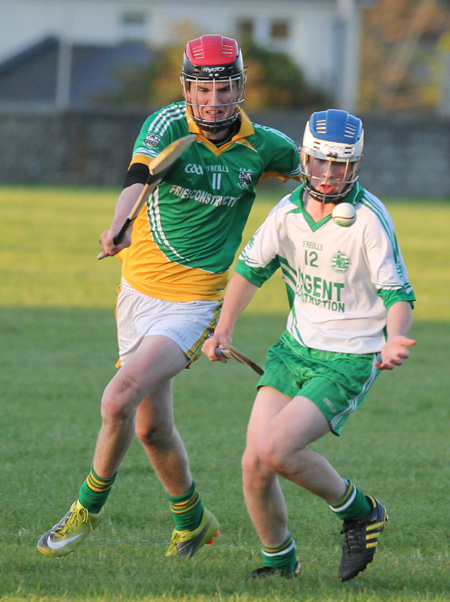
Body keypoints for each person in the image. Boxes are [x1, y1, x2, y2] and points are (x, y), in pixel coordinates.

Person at [37, 34, 301, 559]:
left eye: (225, 88)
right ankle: (194, 520)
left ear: (240, 88)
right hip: (136, 291)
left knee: (117, 397)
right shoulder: (166, 124)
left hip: (196, 303)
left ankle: (85, 510)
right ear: (186, 87)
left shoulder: (266, 146)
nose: (214, 99)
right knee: (152, 428)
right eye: (203, 88)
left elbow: (312, 188)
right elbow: (138, 176)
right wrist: (119, 224)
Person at [203, 109, 416, 581]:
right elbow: (250, 270)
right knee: (254, 462)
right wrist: (224, 329)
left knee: (277, 449)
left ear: (355, 166)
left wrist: (396, 336)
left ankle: (360, 511)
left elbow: (398, 294)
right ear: (304, 157)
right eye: (320, 161)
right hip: (293, 350)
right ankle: (281, 564)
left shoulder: (368, 219)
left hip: (347, 359)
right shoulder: (287, 212)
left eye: (341, 165)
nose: (328, 173)